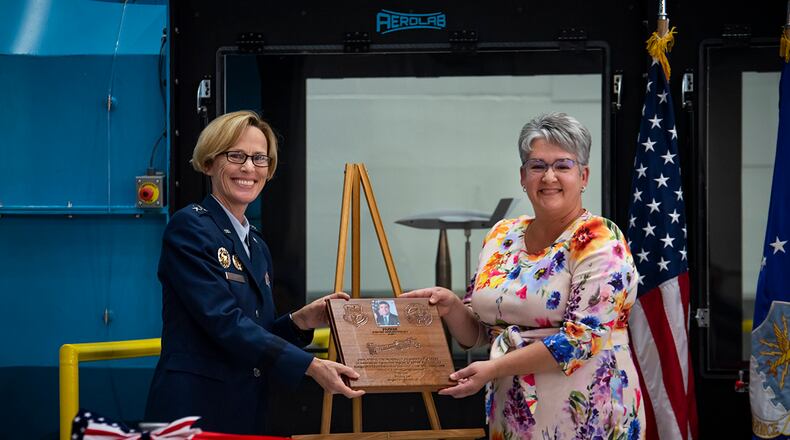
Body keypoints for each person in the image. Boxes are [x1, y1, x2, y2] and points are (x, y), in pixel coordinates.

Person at [402, 112, 645, 439]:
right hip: (513, 414)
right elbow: (480, 332)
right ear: (522, 176)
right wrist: (450, 307)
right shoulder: (502, 235)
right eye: (537, 166)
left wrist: (493, 369)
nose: (549, 177)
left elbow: (580, 341)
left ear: (584, 175)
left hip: (586, 414)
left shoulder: (600, 240)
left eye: (563, 165)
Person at [144, 110, 364, 435]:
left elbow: (255, 330)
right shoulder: (190, 226)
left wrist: (299, 321)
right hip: (193, 413)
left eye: (260, 159)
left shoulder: (256, 244)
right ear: (209, 163)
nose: (249, 168)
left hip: (246, 408)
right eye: (236, 156)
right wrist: (311, 365)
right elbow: (224, 322)